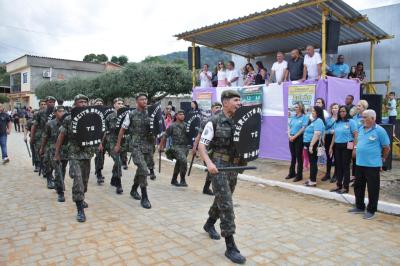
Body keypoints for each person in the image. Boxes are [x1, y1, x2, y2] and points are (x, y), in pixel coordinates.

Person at [198, 90, 246, 264]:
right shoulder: (214, 121)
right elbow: (202, 147)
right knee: (226, 204)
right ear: (225, 102)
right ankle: (230, 246)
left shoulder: (240, 120)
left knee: (222, 199)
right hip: (217, 167)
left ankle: (209, 223)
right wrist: (209, 164)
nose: (239, 103)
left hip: (233, 167)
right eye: (235, 100)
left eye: (239, 100)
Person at [55, 94, 94, 222]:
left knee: (84, 181)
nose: (83, 104)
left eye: (85, 102)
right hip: (74, 154)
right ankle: (79, 209)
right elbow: (61, 136)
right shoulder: (68, 119)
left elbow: (96, 132)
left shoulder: (90, 117)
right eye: (80, 102)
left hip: (87, 153)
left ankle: (82, 198)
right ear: (75, 104)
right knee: (77, 180)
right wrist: (57, 153)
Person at [115, 93, 154, 209]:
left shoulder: (150, 114)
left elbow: (157, 127)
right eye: (142, 99)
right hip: (135, 145)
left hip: (147, 145)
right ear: (137, 102)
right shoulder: (131, 114)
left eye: (146, 99)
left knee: (141, 170)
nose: (145, 101)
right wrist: (118, 144)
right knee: (143, 168)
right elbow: (122, 130)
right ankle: (145, 196)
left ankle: (133, 189)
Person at [349, 109, 390, 220]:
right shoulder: (361, 129)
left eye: (365, 117)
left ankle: (371, 210)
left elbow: (386, 147)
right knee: (358, 186)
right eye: (362, 117)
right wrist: (355, 148)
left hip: (372, 165)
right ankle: (359, 206)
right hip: (359, 163)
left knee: (373, 189)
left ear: (373, 118)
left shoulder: (380, 130)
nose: (363, 119)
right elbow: (358, 141)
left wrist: (383, 159)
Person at [192, 102, 222, 195]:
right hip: (208, 150)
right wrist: (194, 148)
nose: (218, 109)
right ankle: (212, 189)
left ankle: (206, 188)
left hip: (219, 150)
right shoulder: (207, 121)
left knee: (214, 170)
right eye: (216, 107)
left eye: (220, 107)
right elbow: (199, 136)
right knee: (213, 169)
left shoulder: (223, 120)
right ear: (212, 109)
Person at [39, 106, 68, 202]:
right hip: (53, 150)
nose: (62, 113)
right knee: (58, 170)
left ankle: (58, 185)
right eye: (60, 111)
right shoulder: (50, 124)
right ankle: (60, 192)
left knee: (62, 170)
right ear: (55, 113)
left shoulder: (67, 123)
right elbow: (45, 137)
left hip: (65, 150)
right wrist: (42, 148)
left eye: (64, 111)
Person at [329, 106, 358, 194]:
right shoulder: (337, 122)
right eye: (340, 111)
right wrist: (331, 146)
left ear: (347, 112)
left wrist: (355, 148)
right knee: (338, 166)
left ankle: (345, 187)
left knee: (345, 166)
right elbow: (334, 135)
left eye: (344, 111)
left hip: (347, 145)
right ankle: (339, 185)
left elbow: (356, 135)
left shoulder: (351, 122)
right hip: (337, 146)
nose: (342, 113)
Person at [100, 98, 125, 194]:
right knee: (118, 162)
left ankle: (114, 177)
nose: (121, 105)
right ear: (114, 105)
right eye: (119, 103)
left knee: (119, 162)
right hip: (112, 142)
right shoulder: (109, 117)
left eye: (122, 103)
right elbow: (104, 131)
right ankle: (119, 184)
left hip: (122, 142)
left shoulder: (127, 116)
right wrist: (102, 144)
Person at [159, 110, 190, 187]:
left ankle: (174, 179)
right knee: (183, 161)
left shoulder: (187, 125)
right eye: (180, 114)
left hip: (185, 147)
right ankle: (182, 179)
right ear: (176, 116)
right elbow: (165, 136)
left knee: (179, 163)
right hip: (176, 147)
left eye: (183, 114)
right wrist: (161, 146)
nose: (182, 115)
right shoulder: (172, 126)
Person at [33, 96, 57, 188]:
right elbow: (35, 125)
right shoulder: (40, 113)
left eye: (53, 102)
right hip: (45, 139)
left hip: (55, 139)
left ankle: (53, 176)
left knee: (56, 160)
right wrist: (32, 138)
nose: (52, 104)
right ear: (46, 102)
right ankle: (49, 179)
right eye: (50, 102)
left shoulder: (58, 111)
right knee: (47, 160)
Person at [303, 106, 325, 187]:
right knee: (312, 162)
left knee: (313, 163)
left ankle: (313, 181)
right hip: (310, 144)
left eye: (314, 111)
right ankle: (311, 179)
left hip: (313, 144)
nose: (312, 112)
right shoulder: (314, 121)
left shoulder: (319, 121)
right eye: (312, 111)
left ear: (318, 112)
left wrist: (311, 145)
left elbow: (317, 134)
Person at [286, 102, 308, 182]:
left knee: (299, 157)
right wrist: (289, 135)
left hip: (299, 138)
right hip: (291, 138)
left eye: (296, 107)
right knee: (293, 156)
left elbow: (303, 128)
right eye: (294, 107)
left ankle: (299, 175)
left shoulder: (304, 117)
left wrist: (294, 136)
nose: (295, 108)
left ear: (301, 108)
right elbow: (289, 126)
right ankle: (292, 173)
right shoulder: (293, 117)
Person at [323, 103, 339, 183]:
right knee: (329, 157)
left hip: (337, 139)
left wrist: (335, 132)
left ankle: (336, 174)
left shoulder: (341, 119)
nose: (334, 109)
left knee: (336, 157)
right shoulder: (328, 119)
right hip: (328, 139)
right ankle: (328, 173)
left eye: (336, 108)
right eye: (333, 108)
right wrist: (331, 131)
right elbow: (324, 130)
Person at [30, 99, 47, 172]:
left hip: (47, 135)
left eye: (44, 104)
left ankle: (44, 166)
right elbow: (34, 125)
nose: (43, 106)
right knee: (37, 151)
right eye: (41, 104)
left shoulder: (50, 113)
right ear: (39, 105)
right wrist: (32, 136)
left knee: (45, 151)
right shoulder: (36, 114)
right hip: (38, 135)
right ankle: (38, 165)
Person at [93, 98, 106, 185]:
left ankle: (99, 169)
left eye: (101, 103)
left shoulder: (105, 113)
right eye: (97, 103)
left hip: (105, 137)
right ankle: (98, 173)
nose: (99, 104)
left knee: (102, 155)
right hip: (96, 138)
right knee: (99, 154)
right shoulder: (91, 114)